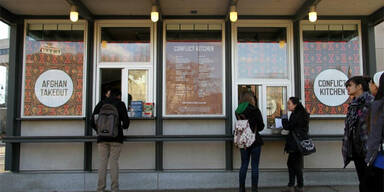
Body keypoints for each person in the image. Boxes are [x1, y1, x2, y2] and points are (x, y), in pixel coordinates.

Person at [91, 89, 130, 192]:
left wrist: (100, 131)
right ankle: (114, 189)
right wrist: (118, 126)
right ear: (119, 96)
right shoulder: (120, 104)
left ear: (109, 95)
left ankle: (100, 189)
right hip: (116, 138)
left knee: (102, 162)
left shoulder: (101, 103)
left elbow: (92, 121)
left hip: (102, 138)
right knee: (113, 162)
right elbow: (126, 124)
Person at [342, 76, 374, 192]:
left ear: (359, 86)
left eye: (350, 85)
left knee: (370, 182)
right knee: (363, 181)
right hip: (356, 149)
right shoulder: (353, 105)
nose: (347, 88)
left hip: (368, 148)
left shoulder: (370, 101)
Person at [235, 91, 265, 192]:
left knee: (244, 164)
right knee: (255, 166)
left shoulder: (238, 111)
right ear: (251, 99)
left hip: (243, 142)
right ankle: (254, 189)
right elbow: (261, 127)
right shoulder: (255, 110)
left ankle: (241, 188)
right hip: (255, 141)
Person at [281, 97, 309, 192]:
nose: (288, 105)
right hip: (298, 143)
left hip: (296, 143)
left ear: (295, 104)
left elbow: (287, 126)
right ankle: (295, 185)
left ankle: (296, 185)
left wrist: (284, 116)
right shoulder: (301, 113)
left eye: (289, 103)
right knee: (294, 164)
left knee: (294, 164)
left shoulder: (297, 114)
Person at [365, 71, 384, 192]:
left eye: (371, 83)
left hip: (380, 158)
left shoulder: (378, 106)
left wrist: (369, 159)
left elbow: (375, 134)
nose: (369, 86)